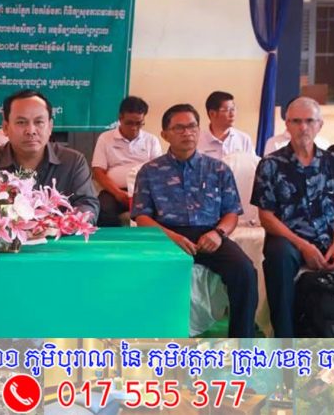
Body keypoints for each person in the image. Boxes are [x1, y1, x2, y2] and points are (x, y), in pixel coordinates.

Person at [251, 97, 334, 337]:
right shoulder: (270, 164)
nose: (303, 127)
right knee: (278, 259)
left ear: (319, 125)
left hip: (329, 238)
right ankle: (285, 341)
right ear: (287, 125)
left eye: (309, 121)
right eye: (296, 121)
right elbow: (266, 217)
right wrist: (303, 246)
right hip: (289, 240)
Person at [131, 103, 257, 337]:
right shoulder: (150, 171)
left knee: (245, 271)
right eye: (179, 128)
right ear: (165, 134)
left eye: (192, 127)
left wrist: (218, 233)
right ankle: (156, 338)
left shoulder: (218, 169)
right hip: (166, 236)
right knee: (146, 274)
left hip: (210, 234)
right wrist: (173, 238)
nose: (187, 133)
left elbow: (231, 213)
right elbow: (142, 217)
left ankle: (242, 342)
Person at [0, 89, 99, 220]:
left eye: (39, 122)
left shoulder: (73, 162)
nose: (31, 130)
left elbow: (88, 205)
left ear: (50, 127)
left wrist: (59, 225)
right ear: (5, 127)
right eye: (21, 122)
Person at [92, 96, 161, 227]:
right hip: (114, 191)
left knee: (160, 209)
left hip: (144, 191)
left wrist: (141, 193)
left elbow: (157, 172)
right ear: (120, 118)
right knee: (103, 209)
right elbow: (98, 172)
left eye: (139, 123)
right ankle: (114, 239)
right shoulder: (105, 138)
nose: (134, 128)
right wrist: (118, 193)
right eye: (129, 123)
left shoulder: (151, 140)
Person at [197, 91, 255, 160]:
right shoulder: (198, 140)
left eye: (233, 109)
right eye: (227, 110)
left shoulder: (244, 140)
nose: (232, 114)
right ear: (212, 113)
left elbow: (252, 164)